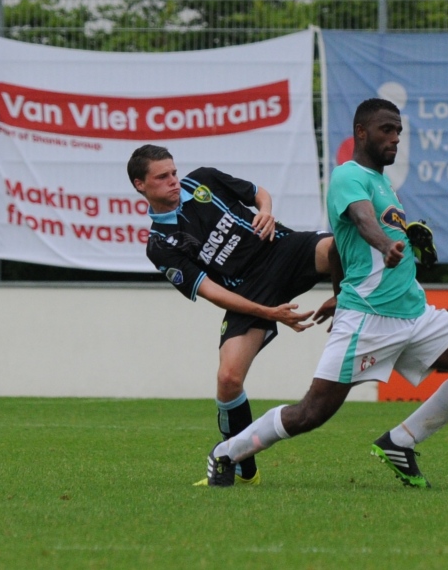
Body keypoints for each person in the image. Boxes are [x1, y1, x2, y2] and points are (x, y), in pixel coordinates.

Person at [204, 98, 448, 488]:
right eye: (387, 129)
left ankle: (401, 442)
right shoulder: (348, 176)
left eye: (399, 131)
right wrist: (386, 245)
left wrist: (342, 287)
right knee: (310, 413)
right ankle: (226, 452)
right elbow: (363, 221)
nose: (395, 138)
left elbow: (337, 249)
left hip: (414, 313)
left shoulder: (384, 183)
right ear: (361, 132)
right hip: (368, 318)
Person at [127, 144, 337, 486]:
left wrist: (266, 211)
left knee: (340, 247)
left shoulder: (203, 181)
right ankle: (243, 468)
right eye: (162, 177)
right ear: (141, 185)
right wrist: (266, 312)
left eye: (174, 173)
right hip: (248, 292)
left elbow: (259, 194)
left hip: (281, 248)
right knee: (228, 379)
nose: (174, 181)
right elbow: (212, 292)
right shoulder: (161, 244)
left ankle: (393, 239)